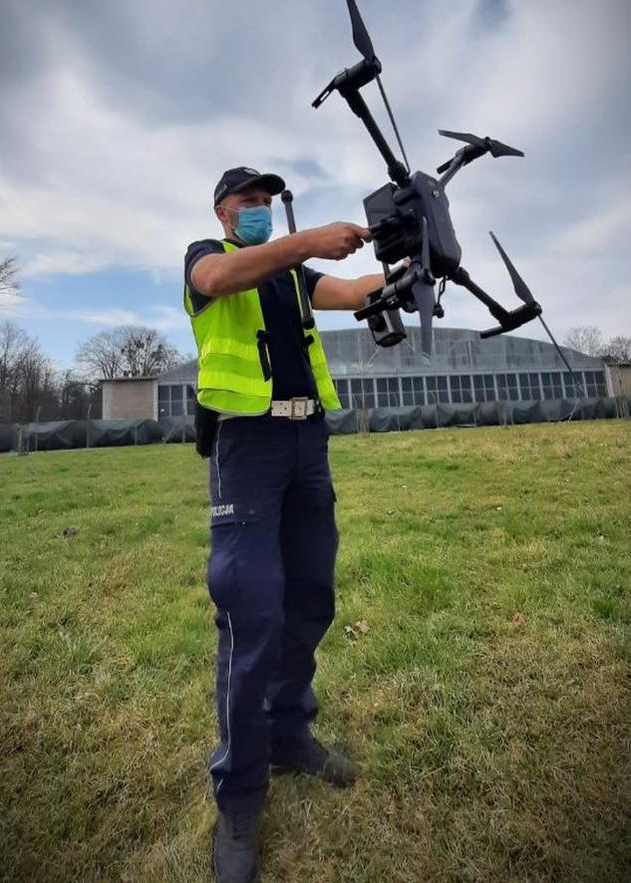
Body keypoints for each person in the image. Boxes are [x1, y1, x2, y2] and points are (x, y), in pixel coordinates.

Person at [184, 166, 385, 883]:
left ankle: (290, 735)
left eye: (269, 202)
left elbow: (359, 292)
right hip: (248, 449)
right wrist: (303, 241)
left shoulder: (297, 277)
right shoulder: (207, 258)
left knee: (310, 598)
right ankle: (239, 793)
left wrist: (402, 261)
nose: (262, 211)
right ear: (223, 211)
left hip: (308, 446)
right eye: (251, 203)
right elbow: (219, 279)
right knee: (251, 613)